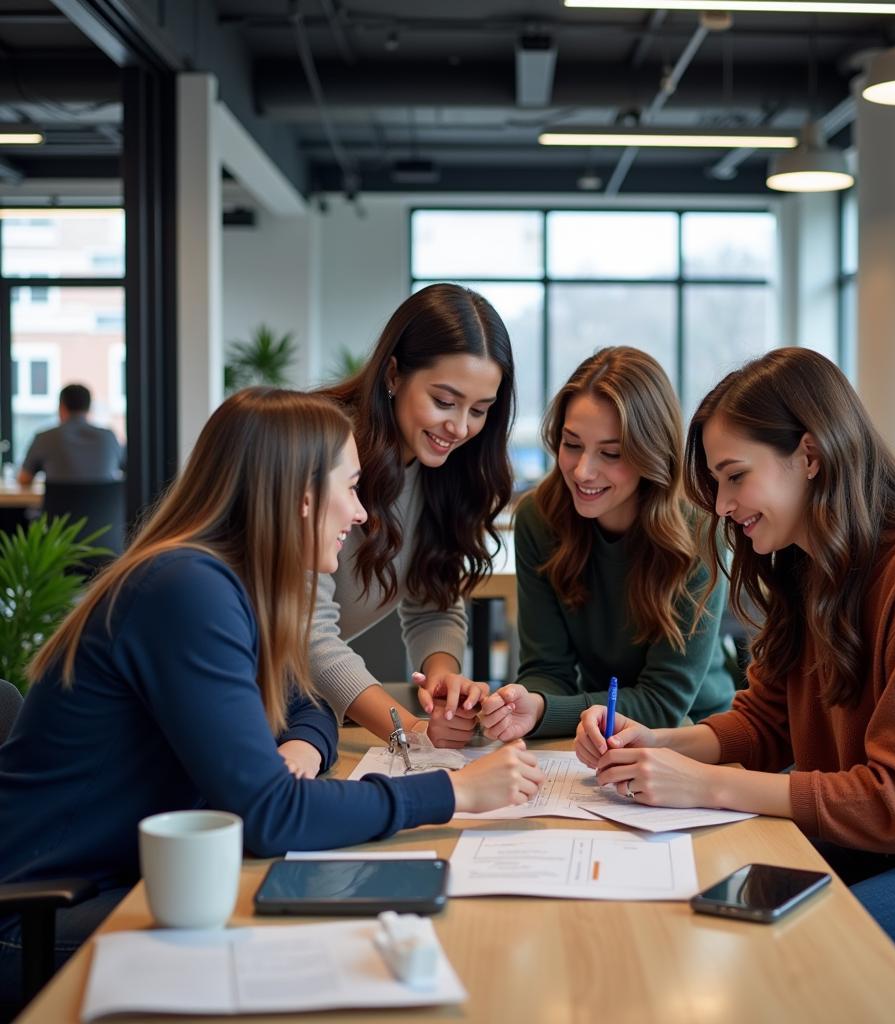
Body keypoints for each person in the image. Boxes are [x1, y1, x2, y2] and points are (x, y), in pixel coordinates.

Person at [0, 387, 543, 1006]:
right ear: (303, 497)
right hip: (40, 918)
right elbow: (270, 817)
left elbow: (305, 696)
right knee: (344, 953)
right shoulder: (187, 591)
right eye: (352, 487)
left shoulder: (229, 581)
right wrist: (455, 792)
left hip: (137, 879)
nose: (362, 513)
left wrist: (305, 745)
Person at [576, 347, 895, 993]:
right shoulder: (806, 562)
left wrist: (703, 784)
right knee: (698, 904)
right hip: (888, 845)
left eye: (735, 476)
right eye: (716, 482)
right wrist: (659, 744)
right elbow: (766, 722)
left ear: (809, 456)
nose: (723, 505)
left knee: (791, 963)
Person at [299, 283, 516, 758]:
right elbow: (308, 633)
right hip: (238, 683)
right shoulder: (320, 449)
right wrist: (411, 733)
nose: (459, 428)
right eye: (444, 401)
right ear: (394, 374)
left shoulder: (444, 468)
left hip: (298, 702)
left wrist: (441, 678)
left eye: (479, 410)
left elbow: (432, 600)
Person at [479, 347, 734, 741]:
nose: (583, 471)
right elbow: (547, 669)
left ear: (651, 454)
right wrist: (525, 703)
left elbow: (663, 704)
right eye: (572, 444)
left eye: (610, 453)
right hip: (595, 728)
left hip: (696, 734)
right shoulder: (538, 519)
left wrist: (549, 711)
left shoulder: (698, 532)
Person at [17, 383, 123, 485]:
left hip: (57, 503)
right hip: (104, 503)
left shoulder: (45, 438)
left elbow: (24, 479)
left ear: (62, 407)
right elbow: (126, 469)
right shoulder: (108, 437)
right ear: (89, 408)